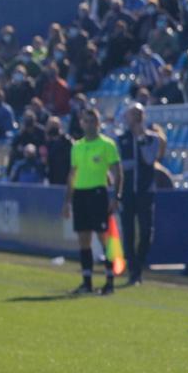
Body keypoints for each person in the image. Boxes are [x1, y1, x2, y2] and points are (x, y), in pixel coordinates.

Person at [68, 105, 121, 296]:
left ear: (98, 123)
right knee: (84, 239)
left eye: (92, 121)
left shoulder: (107, 145)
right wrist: (68, 201)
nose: (89, 125)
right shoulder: (77, 146)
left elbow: (117, 171)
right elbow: (72, 174)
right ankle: (87, 281)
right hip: (80, 195)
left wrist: (116, 196)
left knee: (104, 237)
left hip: (98, 193)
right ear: (82, 123)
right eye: (86, 121)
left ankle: (109, 281)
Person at [115, 105, 164, 285]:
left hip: (145, 192)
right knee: (127, 232)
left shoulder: (152, 139)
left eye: (137, 115)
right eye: (131, 115)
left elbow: (149, 159)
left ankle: (139, 264)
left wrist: (141, 138)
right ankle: (133, 269)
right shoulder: (121, 140)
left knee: (145, 231)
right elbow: (119, 165)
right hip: (127, 192)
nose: (133, 119)